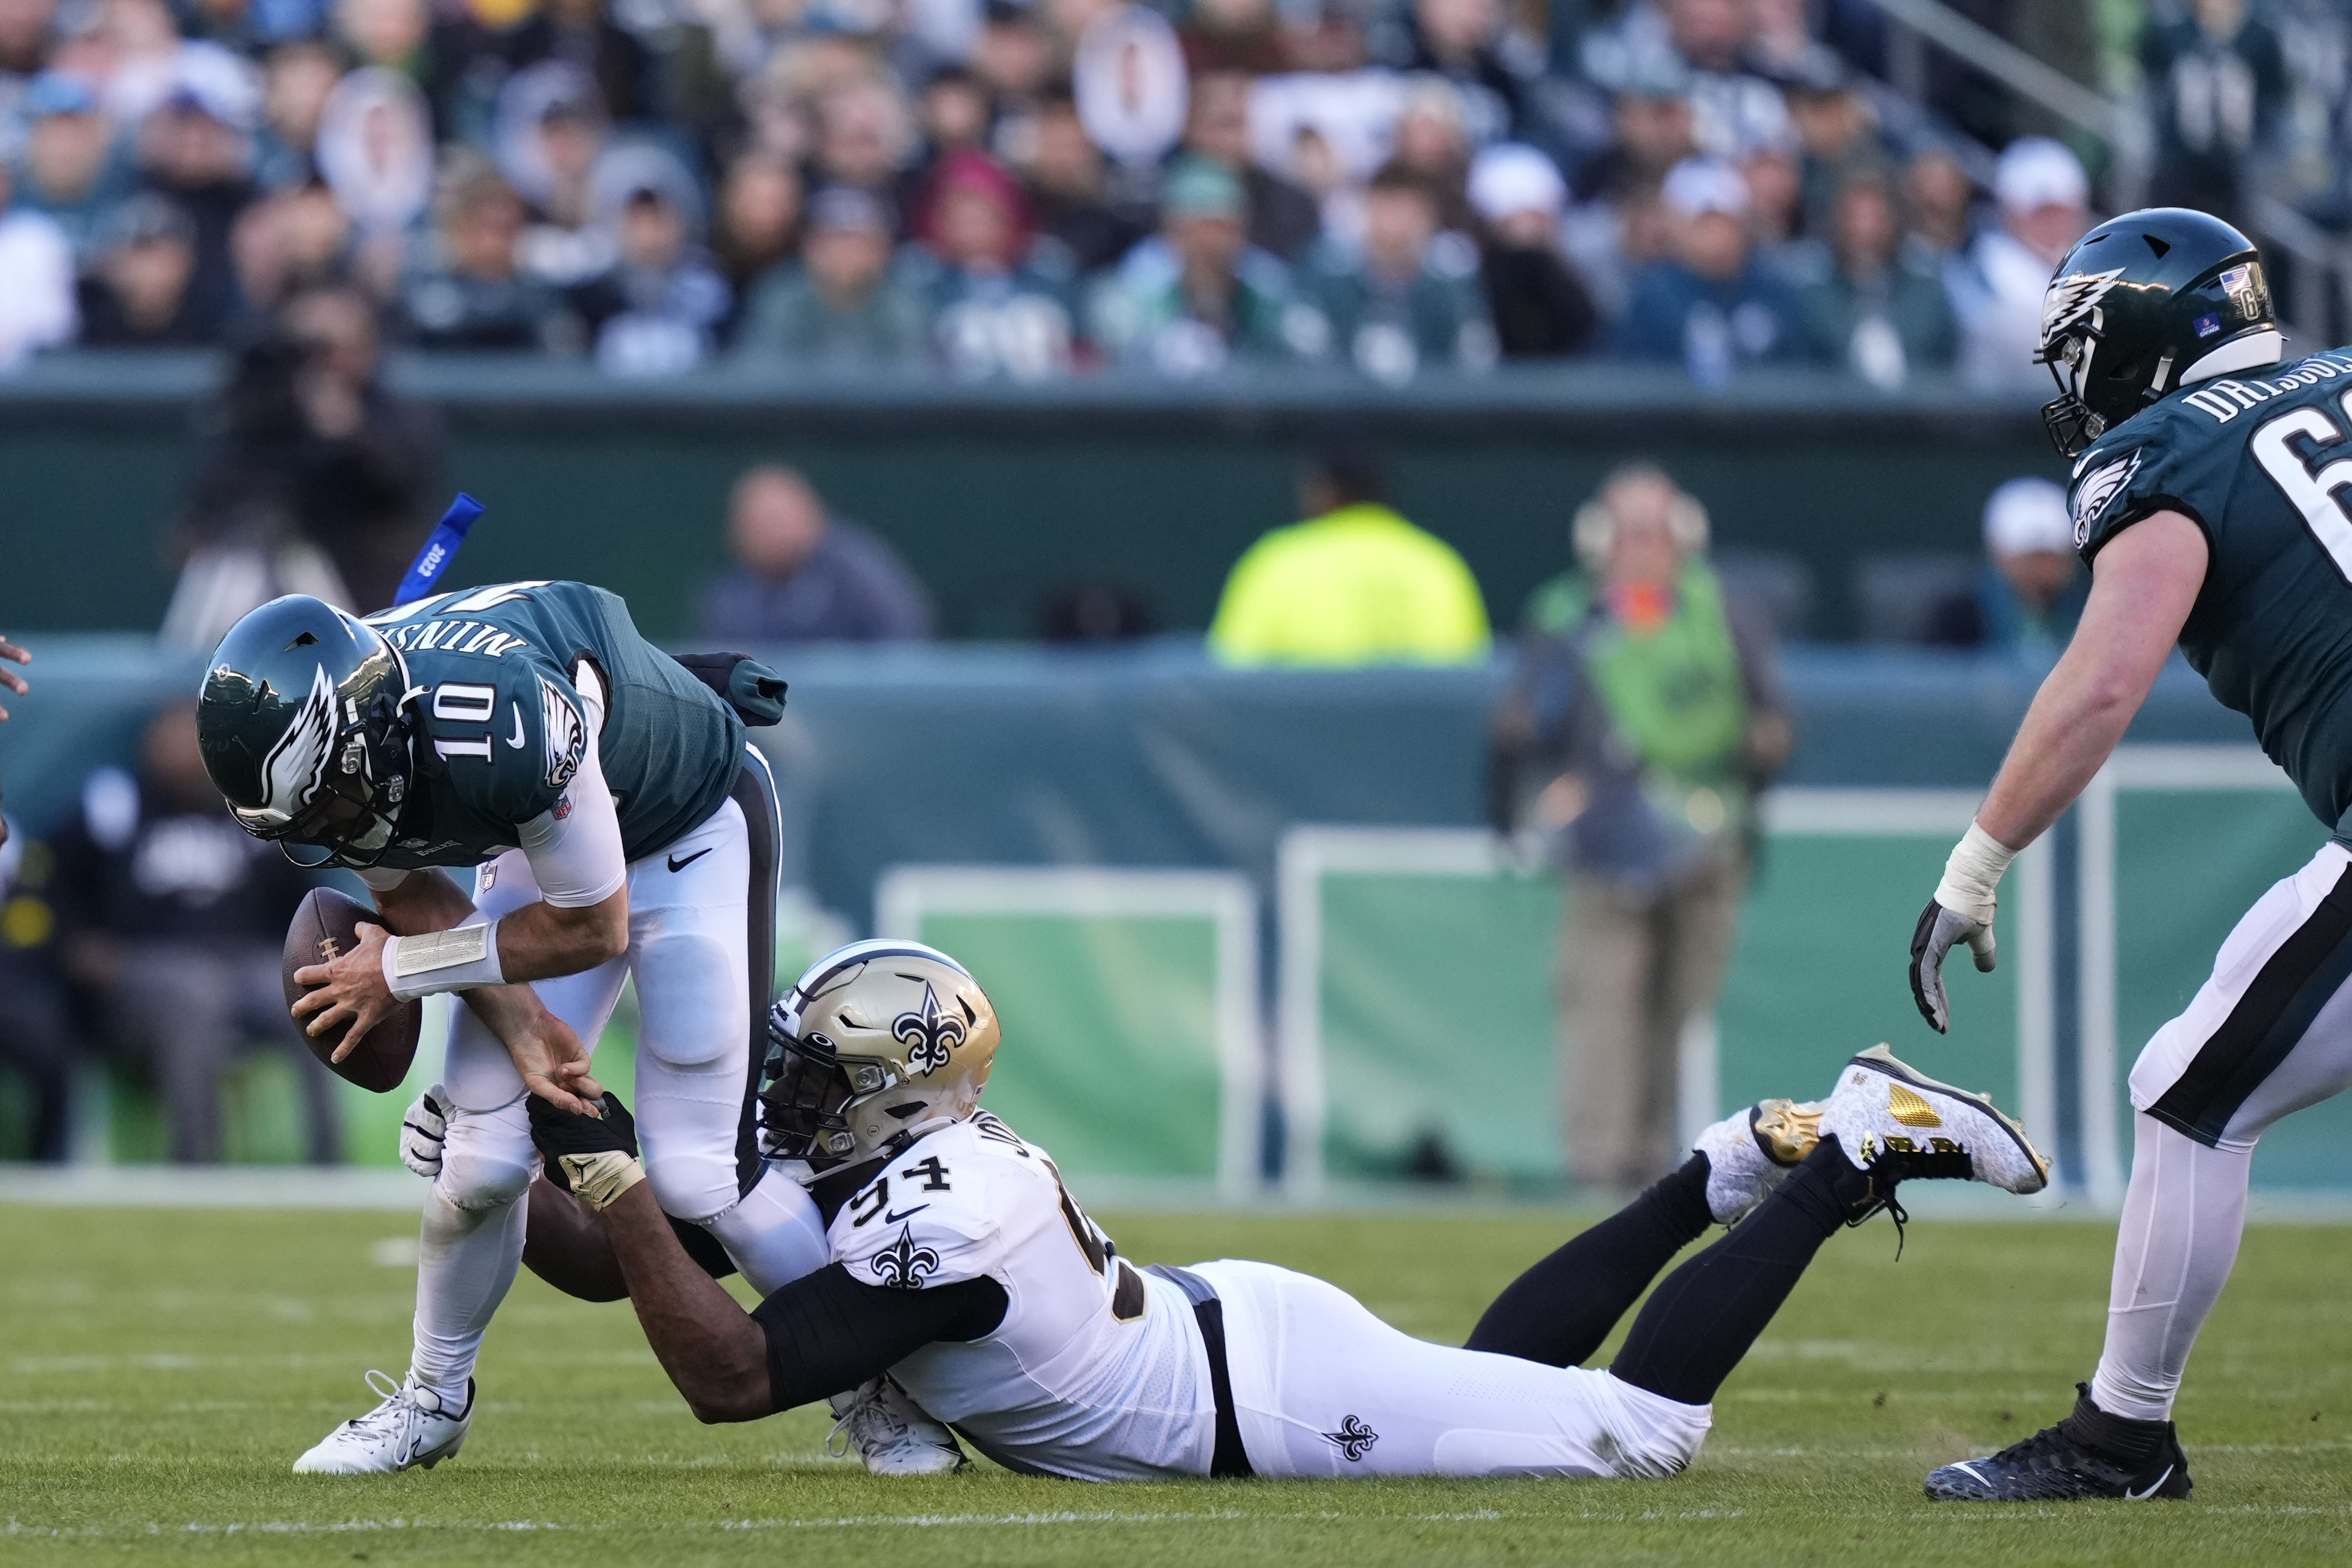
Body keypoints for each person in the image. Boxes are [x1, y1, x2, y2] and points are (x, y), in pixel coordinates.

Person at [516, 940, 2049, 1481]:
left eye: (809, 1075)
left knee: (1633, 1437)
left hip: (1260, 1397)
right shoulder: (873, 1164)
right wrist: (501, 1145)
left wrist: (625, 1180)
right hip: (1234, 1337)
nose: (780, 1099)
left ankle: (1852, 1145)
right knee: (1516, 1383)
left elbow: (727, 1375)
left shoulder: (940, 1218)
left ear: (899, 1093)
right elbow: (614, 1267)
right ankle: (1721, 1173)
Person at [195, 581, 950, 1475]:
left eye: (333, 801)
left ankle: (872, 1389)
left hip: (687, 819)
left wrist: (395, 970)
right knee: (479, 1153)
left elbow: (595, 927)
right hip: (540, 837)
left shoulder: (502, 720)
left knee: (702, 1170)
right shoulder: (344, 756)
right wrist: (523, 1029)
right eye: (307, 819)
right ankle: (432, 1398)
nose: (334, 831)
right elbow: (418, 896)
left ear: (371, 727)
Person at [1907, 208, 2348, 1502]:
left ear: (2150, 339)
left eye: (2087, 346)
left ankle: (2120, 1436)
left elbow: (2101, 683)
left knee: (2185, 1091)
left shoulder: (2169, 451)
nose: (2078, 380)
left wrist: (1976, 861)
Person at [1491, 464, 1792, 1191]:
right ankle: (1597, 1161)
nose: (1640, 546)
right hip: (1602, 844)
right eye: (1626, 530)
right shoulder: (1566, 617)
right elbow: (1522, 721)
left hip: (1703, 841)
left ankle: (1650, 1158)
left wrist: (1755, 752)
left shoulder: (1721, 613)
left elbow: (1771, 716)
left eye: (1654, 530)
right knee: (1602, 1003)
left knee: (1677, 1004)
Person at [49, 702, 339, 1165]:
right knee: (196, 992)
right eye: (173, 739)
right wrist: (77, 943)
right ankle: (197, 1166)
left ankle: (330, 1163)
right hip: (145, 965)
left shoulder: (251, 811)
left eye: (195, 741)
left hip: (243, 961)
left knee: (308, 992)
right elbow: (49, 877)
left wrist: (313, 953)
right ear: (150, 746)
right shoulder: (116, 805)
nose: (184, 753)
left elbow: (303, 896)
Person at [1207, 448, 1490, 667]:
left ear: (1323, 491)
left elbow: (1225, 690)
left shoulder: (1277, 563)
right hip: (1419, 742)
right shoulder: (1438, 565)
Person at [1298, 163, 1496, 382]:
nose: (1394, 228)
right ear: (1368, 212)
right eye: (1386, 211)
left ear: (1430, 219)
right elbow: (1307, 363)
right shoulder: (1328, 277)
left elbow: (1475, 367)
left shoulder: (1453, 287)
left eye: (1408, 214)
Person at [695, 464, 935, 643]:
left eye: (778, 520)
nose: (772, 534)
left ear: (812, 517)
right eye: (757, 524)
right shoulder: (730, 596)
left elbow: (905, 644)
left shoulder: (856, 572)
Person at [1615, 156, 1795, 383]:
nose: (1716, 234)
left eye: (1725, 221)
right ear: (1675, 226)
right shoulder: (1653, 296)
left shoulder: (1774, 292)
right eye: (1703, 223)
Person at [733, 186, 928, 370]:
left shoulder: (902, 304)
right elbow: (762, 377)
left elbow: (913, 383)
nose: (845, 253)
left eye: (860, 242)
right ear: (810, 246)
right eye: (833, 240)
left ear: (883, 250)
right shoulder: (780, 296)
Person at [1951, 137, 2090, 392]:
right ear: (2009, 212)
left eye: (2062, 210)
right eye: (2040, 212)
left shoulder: (2099, 266)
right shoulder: (1977, 276)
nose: (2053, 224)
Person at [1792, 170, 1955, 388]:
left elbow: (1950, 372)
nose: (1864, 230)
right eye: (1855, 218)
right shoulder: (1812, 300)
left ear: (1895, 223)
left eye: (1876, 218)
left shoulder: (1929, 296)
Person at [1468, 142, 1597, 360]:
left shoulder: (1578, 273)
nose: (1531, 227)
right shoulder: (1469, 275)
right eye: (1518, 216)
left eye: (1539, 217)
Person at [1974, 476, 2085, 655]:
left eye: (2051, 558)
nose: (2040, 572)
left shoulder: (2092, 611)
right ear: (1998, 556)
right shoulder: (1956, 621)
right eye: (2029, 559)